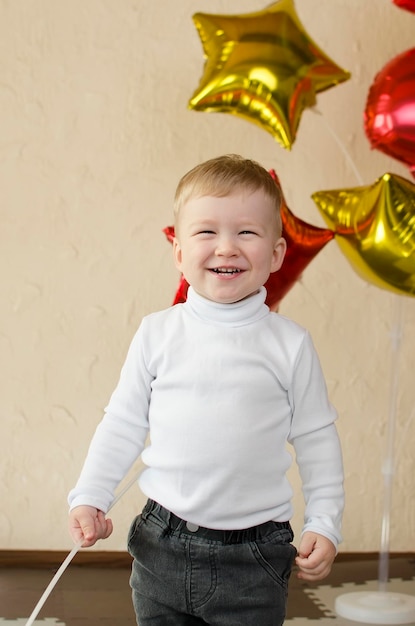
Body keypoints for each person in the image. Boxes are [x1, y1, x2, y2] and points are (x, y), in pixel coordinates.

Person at [68, 154, 344, 625]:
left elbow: (318, 439)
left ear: (277, 254)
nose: (226, 248)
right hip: (162, 543)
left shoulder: (290, 345)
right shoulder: (157, 333)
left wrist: (324, 522)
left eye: (247, 232)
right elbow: (123, 422)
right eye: (206, 232)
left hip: (255, 555)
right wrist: (90, 493)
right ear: (178, 251)